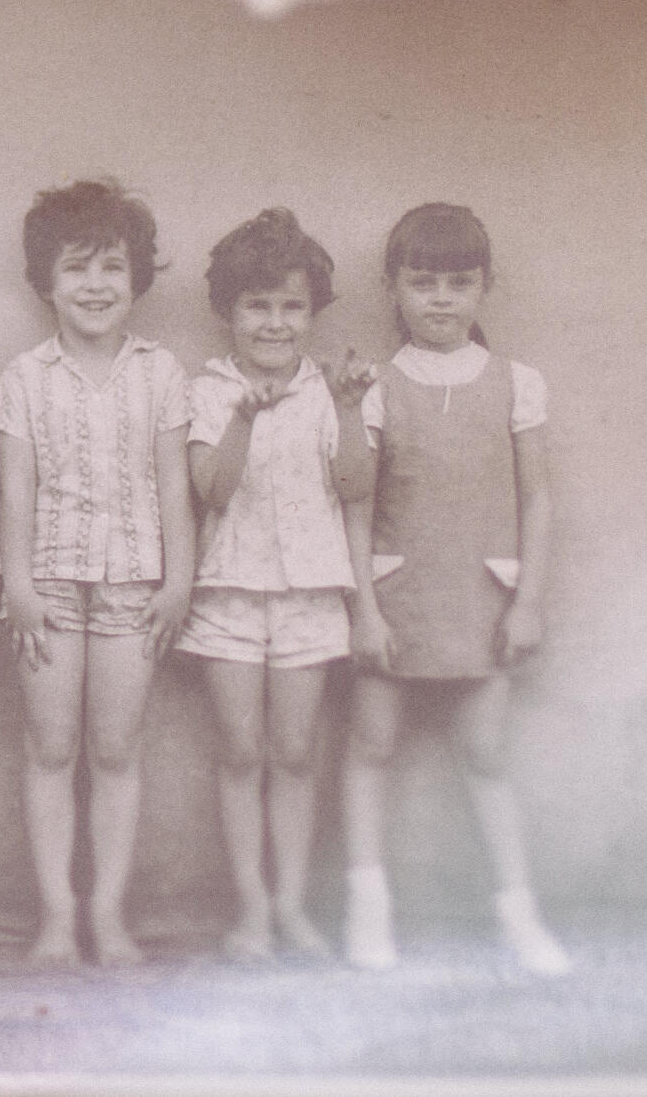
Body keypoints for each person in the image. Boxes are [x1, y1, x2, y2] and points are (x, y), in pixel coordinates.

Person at [340, 204, 568, 976]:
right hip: (396, 596)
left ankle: (518, 917)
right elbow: (356, 507)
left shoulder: (515, 384)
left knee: (484, 753)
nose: (440, 299)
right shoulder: (376, 387)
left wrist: (527, 601)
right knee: (370, 746)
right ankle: (367, 915)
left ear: (483, 287)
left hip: (480, 596)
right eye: (422, 282)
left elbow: (537, 499)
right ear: (392, 288)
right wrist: (363, 610)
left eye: (458, 283)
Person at [0, 179, 194, 966]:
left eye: (111, 266)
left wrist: (177, 581)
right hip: (44, 586)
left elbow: (172, 485)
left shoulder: (159, 371)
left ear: (136, 276)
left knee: (115, 751)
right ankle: (55, 916)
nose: (95, 285)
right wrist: (16, 585)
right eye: (75, 268)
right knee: (49, 749)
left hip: (134, 586)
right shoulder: (24, 376)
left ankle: (106, 915)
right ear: (45, 281)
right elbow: (16, 488)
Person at [177, 210, 371, 961]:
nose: (275, 322)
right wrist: (242, 422)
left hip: (309, 595)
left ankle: (290, 906)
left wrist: (348, 411)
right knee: (240, 754)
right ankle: (251, 913)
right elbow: (210, 489)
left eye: (292, 306)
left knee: (293, 755)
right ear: (227, 311)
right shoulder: (207, 391)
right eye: (257, 306)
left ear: (312, 312)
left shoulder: (331, 389)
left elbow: (355, 485)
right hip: (228, 593)